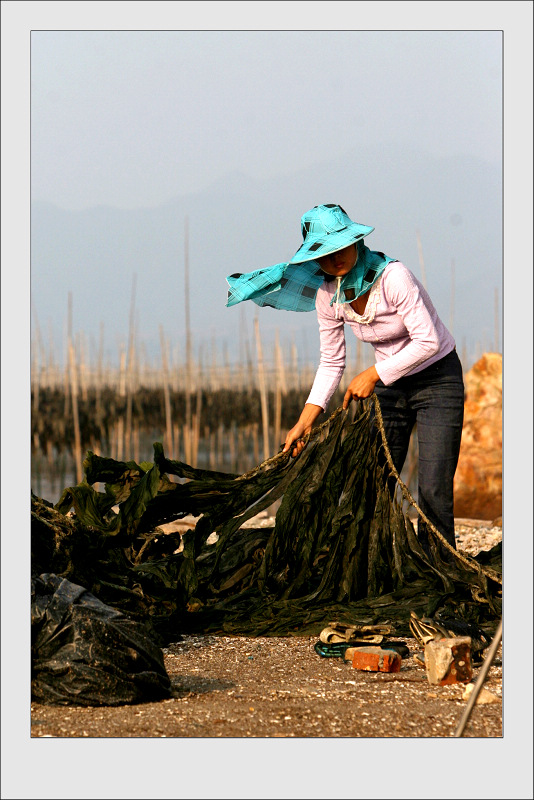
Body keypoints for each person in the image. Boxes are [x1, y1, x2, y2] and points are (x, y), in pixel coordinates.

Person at [226, 204, 464, 554]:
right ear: (314, 258)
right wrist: (305, 421)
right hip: (389, 389)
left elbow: (427, 341)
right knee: (374, 481)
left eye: (341, 246)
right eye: (324, 252)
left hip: (437, 381)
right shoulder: (328, 295)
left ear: (356, 243)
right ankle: (378, 562)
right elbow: (332, 361)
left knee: (433, 488)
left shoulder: (394, 277)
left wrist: (373, 374)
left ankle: (441, 567)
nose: (336, 257)